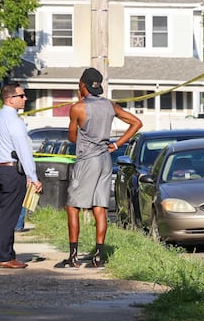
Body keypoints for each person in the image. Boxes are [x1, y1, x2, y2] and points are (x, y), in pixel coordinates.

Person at [57, 68, 142, 269]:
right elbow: (136, 123)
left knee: (72, 206)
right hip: (105, 158)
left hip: (87, 159)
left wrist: (79, 104)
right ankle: (99, 257)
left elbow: (71, 137)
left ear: (82, 84)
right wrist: (117, 144)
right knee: (100, 207)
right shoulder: (110, 106)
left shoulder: (78, 108)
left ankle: (73, 257)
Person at [0, 83, 42, 269]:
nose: (25, 99)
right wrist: (33, 176)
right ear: (11, 99)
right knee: (10, 216)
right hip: (11, 171)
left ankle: (8, 253)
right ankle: (3, 257)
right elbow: (23, 149)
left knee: (5, 213)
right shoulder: (14, 121)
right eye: (22, 96)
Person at [0, 156, 27, 232]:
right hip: (18, 172)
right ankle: (17, 225)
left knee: (4, 203)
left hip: (1, 173)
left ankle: (6, 225)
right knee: (18, 201)